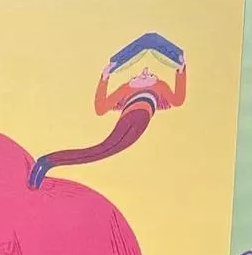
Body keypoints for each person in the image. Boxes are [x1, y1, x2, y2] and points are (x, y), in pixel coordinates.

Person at [29, 51, 185, 189]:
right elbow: (101, 108)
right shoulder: (126, 89)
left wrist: (181, 70)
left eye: (151, 74)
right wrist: (104, 78)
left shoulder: (160, 86)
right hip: (126, 121)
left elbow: (177, 100)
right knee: (101, 150)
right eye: (137, 75)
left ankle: (47, 161)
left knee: (102, 151)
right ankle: (47, 161)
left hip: (139, 124)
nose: (145, 71)